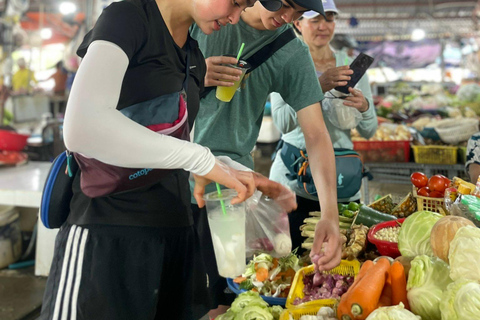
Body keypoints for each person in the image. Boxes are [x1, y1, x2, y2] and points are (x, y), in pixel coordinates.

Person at [38, 0, 288, 319]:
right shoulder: (129, 19)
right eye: (236, 1)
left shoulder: (193, 56)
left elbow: (169, 144)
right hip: (108, 234)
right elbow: (82, 126)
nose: (236, 16)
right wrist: (198, 159)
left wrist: (223, 169)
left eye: (246, 6)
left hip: (173, 232)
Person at [190, 0, 342, 317]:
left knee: (223, 299)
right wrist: (194, 74)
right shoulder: (209, 16)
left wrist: (330, 212)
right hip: (163, 171)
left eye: (299, 14)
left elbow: (316, 134)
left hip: (228, 189)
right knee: (160, 291)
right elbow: (145, 77)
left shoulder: (290, 50)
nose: (287, 18)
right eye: (284, 5)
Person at [269, 0, 377, 251]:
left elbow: (368, 131)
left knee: (345, 259)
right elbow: (283, 123)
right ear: (297, 23)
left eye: (328, 19)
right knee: (293, 258)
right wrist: (320, 86)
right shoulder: (286, 62)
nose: (323, 26)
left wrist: (364, 107)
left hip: (343, 183)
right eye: (314, 19)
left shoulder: (353, 68)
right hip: (295, 183)